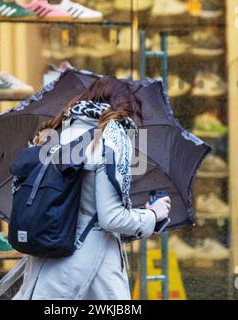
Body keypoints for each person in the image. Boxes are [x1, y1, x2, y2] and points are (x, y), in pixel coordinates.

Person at [14, 76, 171, 300]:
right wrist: (153, 215)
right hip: (85, 259)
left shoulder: (55, 131)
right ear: (123, 108)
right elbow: (111, 218)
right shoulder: (112, 137)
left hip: (46, 260)